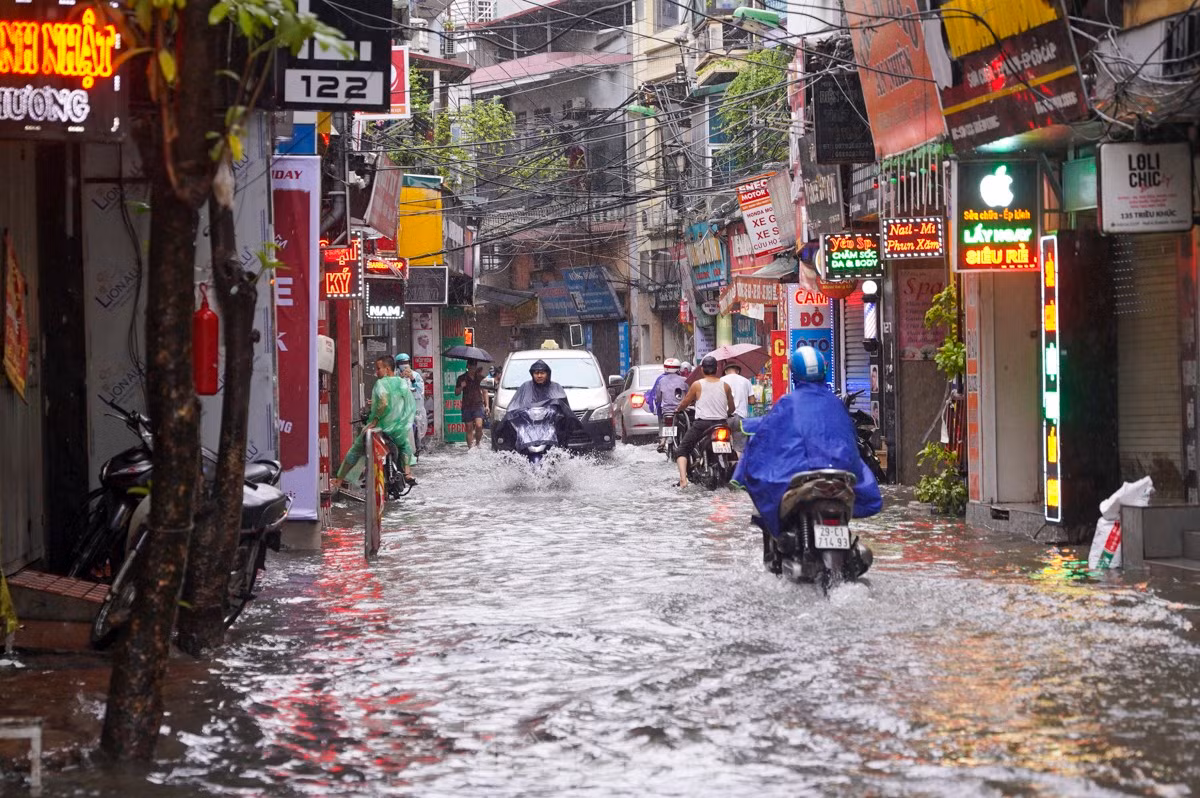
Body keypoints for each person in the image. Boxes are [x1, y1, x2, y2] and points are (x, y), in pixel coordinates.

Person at [732, 346, 882, 539]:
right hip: (840, 473)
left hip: (802, 474)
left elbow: (768, 434)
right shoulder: (835, 403)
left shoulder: (788, 403)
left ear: (794, 374)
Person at [330, 356, 417, 494]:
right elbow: (408, 404)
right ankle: (407, 473)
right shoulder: (402, 383)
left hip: (380, 428)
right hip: (398, 430)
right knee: (405, 446)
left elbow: (383, 403)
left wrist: (375, 420)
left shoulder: (381, 383)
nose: (376, 372)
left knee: (356, 449)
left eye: (378, 368)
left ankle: (339, 480)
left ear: (387, 369)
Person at [673, 355, 735, 489]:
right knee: (733, 451)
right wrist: (728, 412)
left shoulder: (697, 384)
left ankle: (683, 480)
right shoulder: (725, 386)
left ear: (702, 370)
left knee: (682, 449)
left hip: (702, 425)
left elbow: (685, 402)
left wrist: (678, 409)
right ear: (717, 369)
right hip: (722, 423)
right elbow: (732, 407)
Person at [492, 359, 582, 451]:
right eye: (536, 373)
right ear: (532, 374)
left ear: (547, 374)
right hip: (528, 426)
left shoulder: (556, 387)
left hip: (550, 426)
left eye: (542, 373)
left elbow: (563, 406)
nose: (539, 376)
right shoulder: (525, 387)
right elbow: (515, 404)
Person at [645, 358, 689, 453]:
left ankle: (663, 441)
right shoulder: (684, 380)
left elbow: (658, 397)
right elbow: (688, 395)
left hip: (666, 412)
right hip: (681, 411)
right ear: (678, 368)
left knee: (665, 424)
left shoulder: (661, 381)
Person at [395, 353, 426, 456]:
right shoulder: (395, 376)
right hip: (398, 409)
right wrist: (400, 378)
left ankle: (417, 448)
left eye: (406, 363)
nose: (404, 365)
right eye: (401, 363)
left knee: (416, 425)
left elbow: (420, 391)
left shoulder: (416, 376)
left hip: (413, 408)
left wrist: (412, 379)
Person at [455, 358, 490, 449]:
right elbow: (456, 392)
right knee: (469, 427)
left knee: (479, 425)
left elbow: (485, 391)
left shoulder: (480, 378)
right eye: (470, 368)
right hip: (466, 405)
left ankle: (478, 443)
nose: (472, 370)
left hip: (478, 405)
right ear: (467, 367)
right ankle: (470, 448)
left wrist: (487, 405)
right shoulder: (461, 378)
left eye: (474, 367)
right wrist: (461, 387)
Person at [721, 363, 754, 450]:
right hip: (741, 417)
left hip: (725, 417)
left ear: (725, 371)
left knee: (722, 444)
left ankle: (724, 461)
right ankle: (739, 462)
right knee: (740, 447)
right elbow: (752, 401)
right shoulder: (746, 381)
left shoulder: (721, 380)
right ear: (738, 371)